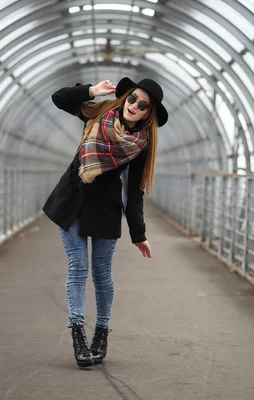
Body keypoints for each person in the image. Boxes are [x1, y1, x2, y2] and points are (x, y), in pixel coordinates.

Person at [42, 77, 168, 368]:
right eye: (133, 98)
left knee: (101, 275)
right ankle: (78, 336)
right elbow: (60, 98)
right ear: (126, 98)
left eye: (143, 105)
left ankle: (101, 334)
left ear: (149, 113)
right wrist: (92, 91)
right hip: (73, 199)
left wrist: (139, 234)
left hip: (106, 208)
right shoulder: (99, 113)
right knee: (78, 267)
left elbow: (134, 192)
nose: (135, 105)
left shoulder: (141, 144)